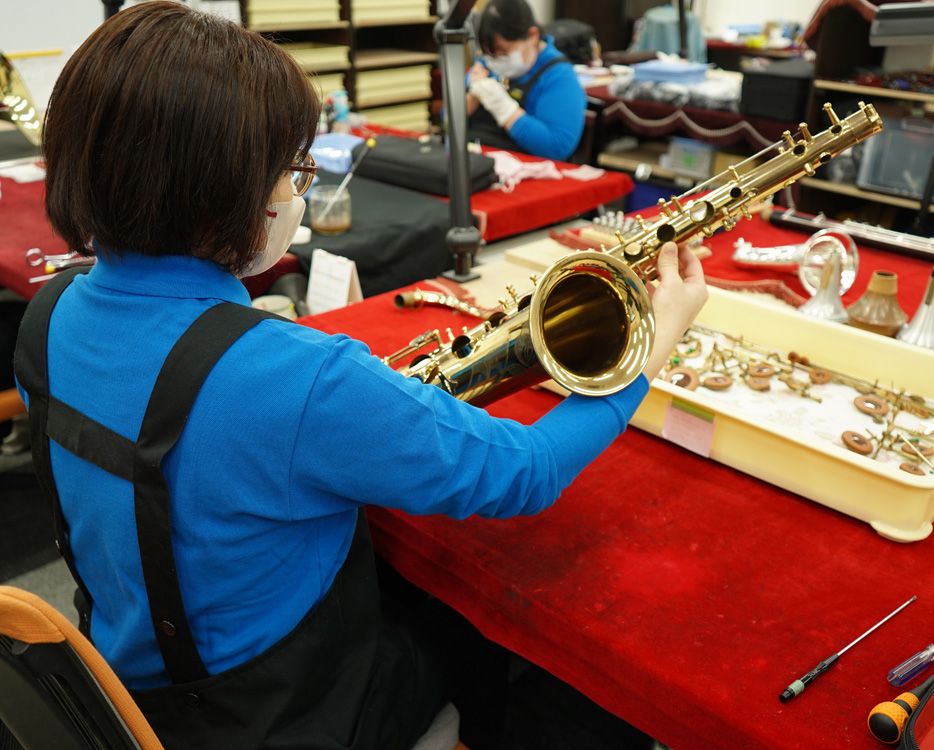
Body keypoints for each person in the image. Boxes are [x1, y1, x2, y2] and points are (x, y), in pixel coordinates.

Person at [13, 3, 707, 750]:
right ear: (220, 189)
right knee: (484, 641)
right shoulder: (294, 375)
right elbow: (525, 474)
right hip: (274, 715)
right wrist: (648, 348)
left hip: (123, 680)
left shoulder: (48, 314)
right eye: (289, 170)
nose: (293, 192)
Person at [466, 0, 586, 161]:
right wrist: (472, 96)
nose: (496, 61)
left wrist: (504, 109)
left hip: (525, 169)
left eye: (504, 52)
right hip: (475, 159)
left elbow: (557, 147)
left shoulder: (559, 76)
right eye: (490, 54)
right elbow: (447, 122)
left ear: (532, 36)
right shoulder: (485, 64)